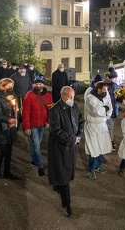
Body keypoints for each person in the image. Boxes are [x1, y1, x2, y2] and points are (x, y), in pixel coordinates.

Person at [47, 86, 84, 217]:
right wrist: (72, 139)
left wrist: (79, 135)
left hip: (71, 146)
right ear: (63, 96)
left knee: (66, 171)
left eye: (73, 97)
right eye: (70, 97)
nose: (73, 99)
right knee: (63, 175)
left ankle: (58, 186)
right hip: (60, 147)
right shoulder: (55, 110)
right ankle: (66, 204)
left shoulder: (73, 106)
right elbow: (56, 131)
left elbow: (80, 121)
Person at [22, 74, 53, 177]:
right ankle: (40, 166)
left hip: (43, 125)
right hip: (33, 125)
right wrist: (26, 127)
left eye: (40, 83)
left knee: (36, 145)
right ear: (34, 84)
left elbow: (50, 110)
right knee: (36, 146)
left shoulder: (48, 95)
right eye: (37, 83)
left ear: (43, 84)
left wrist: (48, 121)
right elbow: (25, 112)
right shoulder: (29, 95)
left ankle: (34, 161)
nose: (39, 85)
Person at [84, 82, 113, 179]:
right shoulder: (90, 98)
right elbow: (96, 112)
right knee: (94, 149)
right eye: (103, 89)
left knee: (101, 147)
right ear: (98, 89)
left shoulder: (105, 96)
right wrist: (105, 109)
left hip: (102, 126)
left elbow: (110, 108)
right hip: (92, 126)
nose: (105, 91)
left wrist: (105, 109)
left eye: (106, 89)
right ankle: (91, 170)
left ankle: (98, 166)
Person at [0, 78, 19, 179]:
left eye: (12, 87)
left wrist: (16, 115)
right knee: (3, 151)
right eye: (9, 87)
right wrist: (8, 120)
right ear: (3, 87)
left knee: (9, 151)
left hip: (10, 129)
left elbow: (16, 111)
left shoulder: (12, 97)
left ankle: (7, 172)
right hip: (0, 129)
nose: (11, 89)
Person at [106, 67, 125, 150]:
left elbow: (116, 97)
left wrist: (121, 100)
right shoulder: (109, 87)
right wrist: (121, 100)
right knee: (110, 127)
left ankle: (109, 141)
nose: (116, 79)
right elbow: (114, 98)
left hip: (113, 110)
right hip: (110, 111)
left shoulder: (114, 86)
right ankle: (110, 142)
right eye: (115, 78)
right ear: (111, 78)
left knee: (110, 127)